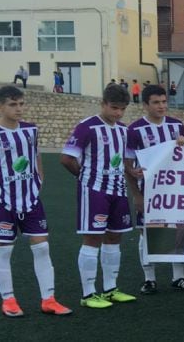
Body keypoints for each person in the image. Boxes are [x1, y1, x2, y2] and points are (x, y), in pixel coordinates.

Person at [59, 84, 138, 309]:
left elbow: (125, 161)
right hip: (94, 191)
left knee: (114, 237)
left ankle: (111, 289)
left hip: (118, 190)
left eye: (122, 109)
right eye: (114, 108)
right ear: (102, 104)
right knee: (92, 238)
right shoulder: (87, 127)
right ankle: (88, 293)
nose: (118, 113)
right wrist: (84, 178)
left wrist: (133, 172)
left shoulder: (123, 130)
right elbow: (66, 158)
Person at [0, 86, 73, 317]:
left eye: (21, 104)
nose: (19, 109)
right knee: (4, 252)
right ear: (0, 106)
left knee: (42, 248)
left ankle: (48, 299)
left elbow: (36, 156)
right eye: (13, 105)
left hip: (30, 200)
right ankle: (9, 300)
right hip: (3, 202)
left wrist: (38, 182)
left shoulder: (31, 130)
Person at [124, 84, 184, 294]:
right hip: (148, 191)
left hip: (174, 191)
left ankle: (178, 276)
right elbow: (128, 166)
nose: (161, 106)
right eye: (156, 102)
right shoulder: (134, 130)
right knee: (147, 234)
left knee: (177, 231)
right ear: (145, 105)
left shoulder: (176, 125)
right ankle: (149, 278)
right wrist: (137, 195)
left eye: (164, 102)